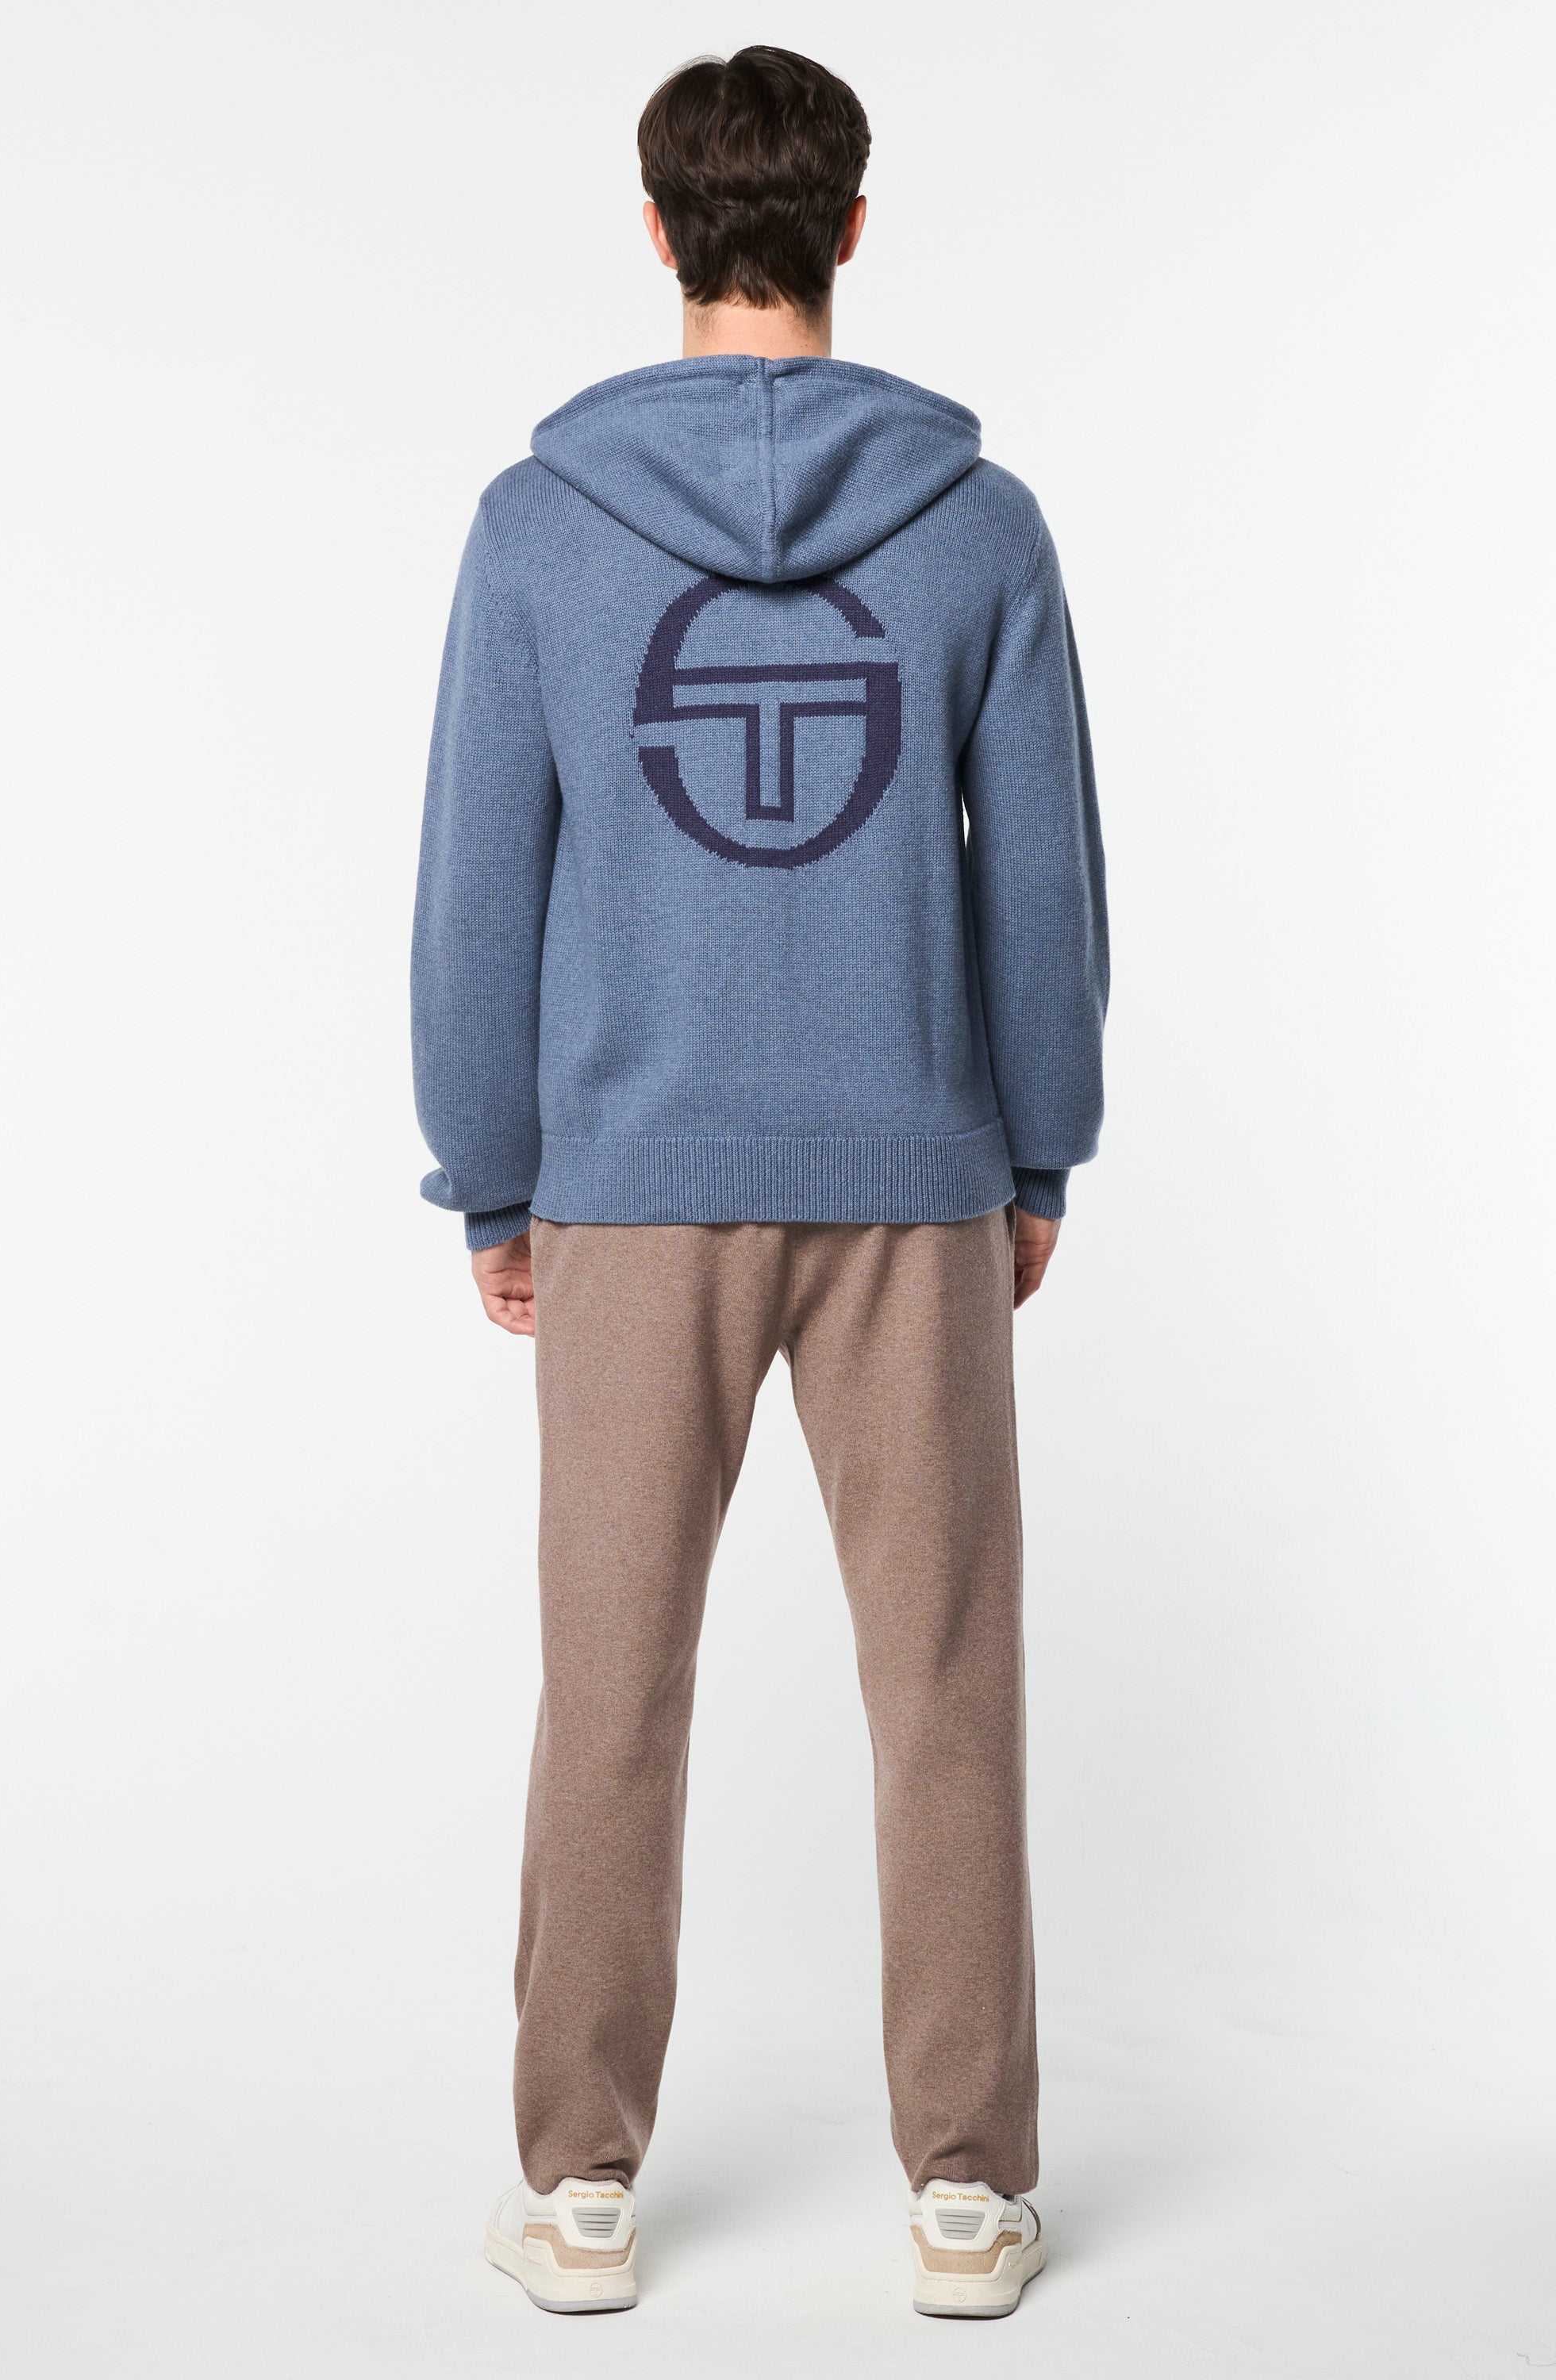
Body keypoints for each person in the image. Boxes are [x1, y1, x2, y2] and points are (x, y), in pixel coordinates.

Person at [412, 44, 1108, 2321]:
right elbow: (1042, 889)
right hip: (914, 1179)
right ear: (851, 230)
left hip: (630, 1187)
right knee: (946, 1680)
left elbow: (477, 889)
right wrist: (1034, 1147)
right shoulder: (979, 528)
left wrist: (492, 1181)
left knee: (609, 1683)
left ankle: (580, 2188)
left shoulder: (541, 530)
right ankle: (967, 2195)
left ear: (656, 234)